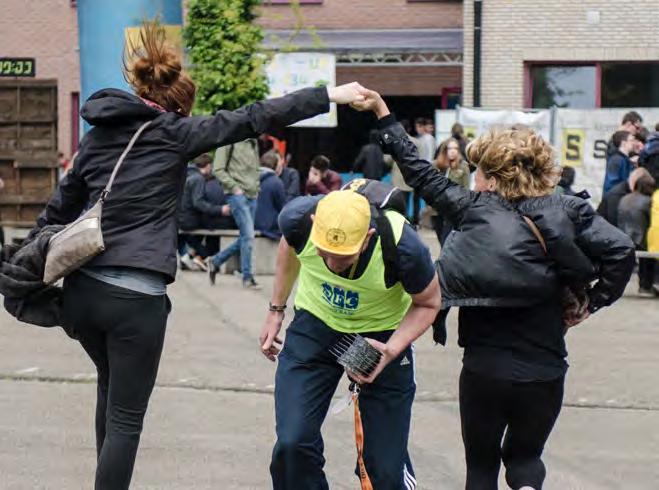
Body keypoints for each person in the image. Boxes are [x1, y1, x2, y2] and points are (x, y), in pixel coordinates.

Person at [26, 20, 368, 490]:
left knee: (110, 389)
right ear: (177, 105)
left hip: (83, 293)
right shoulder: (175, 133)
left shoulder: (97, 137)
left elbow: (56, 211)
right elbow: (255, 116)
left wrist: (27, 260)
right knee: (126, 419)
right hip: (135, 300)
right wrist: (330, 94)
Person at [352, 89, 635, 490]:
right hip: (545, 366)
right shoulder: (569, 210)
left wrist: (383, 112)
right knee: (525, 458)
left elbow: (415, 169)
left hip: (485, 369)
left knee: (481, 467)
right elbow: (622, 252)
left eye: (478, 170)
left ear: (491, 174)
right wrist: (593, 301)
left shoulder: (470, 207)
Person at [259, 189, 440, 489]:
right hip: (317, 327)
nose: (330, 262)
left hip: (378, 336)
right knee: (292, 444)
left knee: (384, 470)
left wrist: (391, 350)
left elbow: (430, 302)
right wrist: (276, 309)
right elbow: (289, 246)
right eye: (324, 251)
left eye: (342, 257)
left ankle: (391, 462)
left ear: (367, 237)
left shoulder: (402, 246)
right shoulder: (297, 220)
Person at [206, 137, 262, 288]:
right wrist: (234, 188)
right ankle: (247, 277)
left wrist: (257, 187)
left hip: (252, 195)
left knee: (246, 237)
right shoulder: (229, 139)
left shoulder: (253, 141)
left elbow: (256, 168)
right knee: (249, 236)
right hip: (237, 195)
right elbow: (218, 169)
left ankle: (215, 261)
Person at [178, 153, 232, 270]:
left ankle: (191, 255)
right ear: (208, 166)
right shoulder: (198, 179)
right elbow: (198, 203)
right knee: (213, 225)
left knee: (206, 226)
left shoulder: (188, 174)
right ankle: (206, 257)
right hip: (189, 221)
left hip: (181, 217)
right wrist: (220, 209)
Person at [618, 173, 657, 297]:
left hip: (622, 236)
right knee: (650, 257)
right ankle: (645, 286)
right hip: (640, 239)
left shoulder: (625, 198)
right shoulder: (648, 201)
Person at [430, 138, 471, 245]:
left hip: (452, 209)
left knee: (446, 240)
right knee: (440, 236)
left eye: (455, 148)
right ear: (444, 150)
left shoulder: (463, 166)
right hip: (437, 208)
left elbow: (466, 189)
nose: (453, 151)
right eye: (450, 148)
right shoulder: (435, 165)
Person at [255, 150, 286, 240]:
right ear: (276, 166)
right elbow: (282, 208)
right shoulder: (276, 182)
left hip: (250, 225)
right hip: (269, 229)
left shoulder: (251, 179)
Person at [603, 130, 635, 194]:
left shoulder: (625, 159)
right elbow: (612, 183)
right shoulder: (616, 160)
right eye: (631, 140)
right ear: (623, 143)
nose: (634, 143)